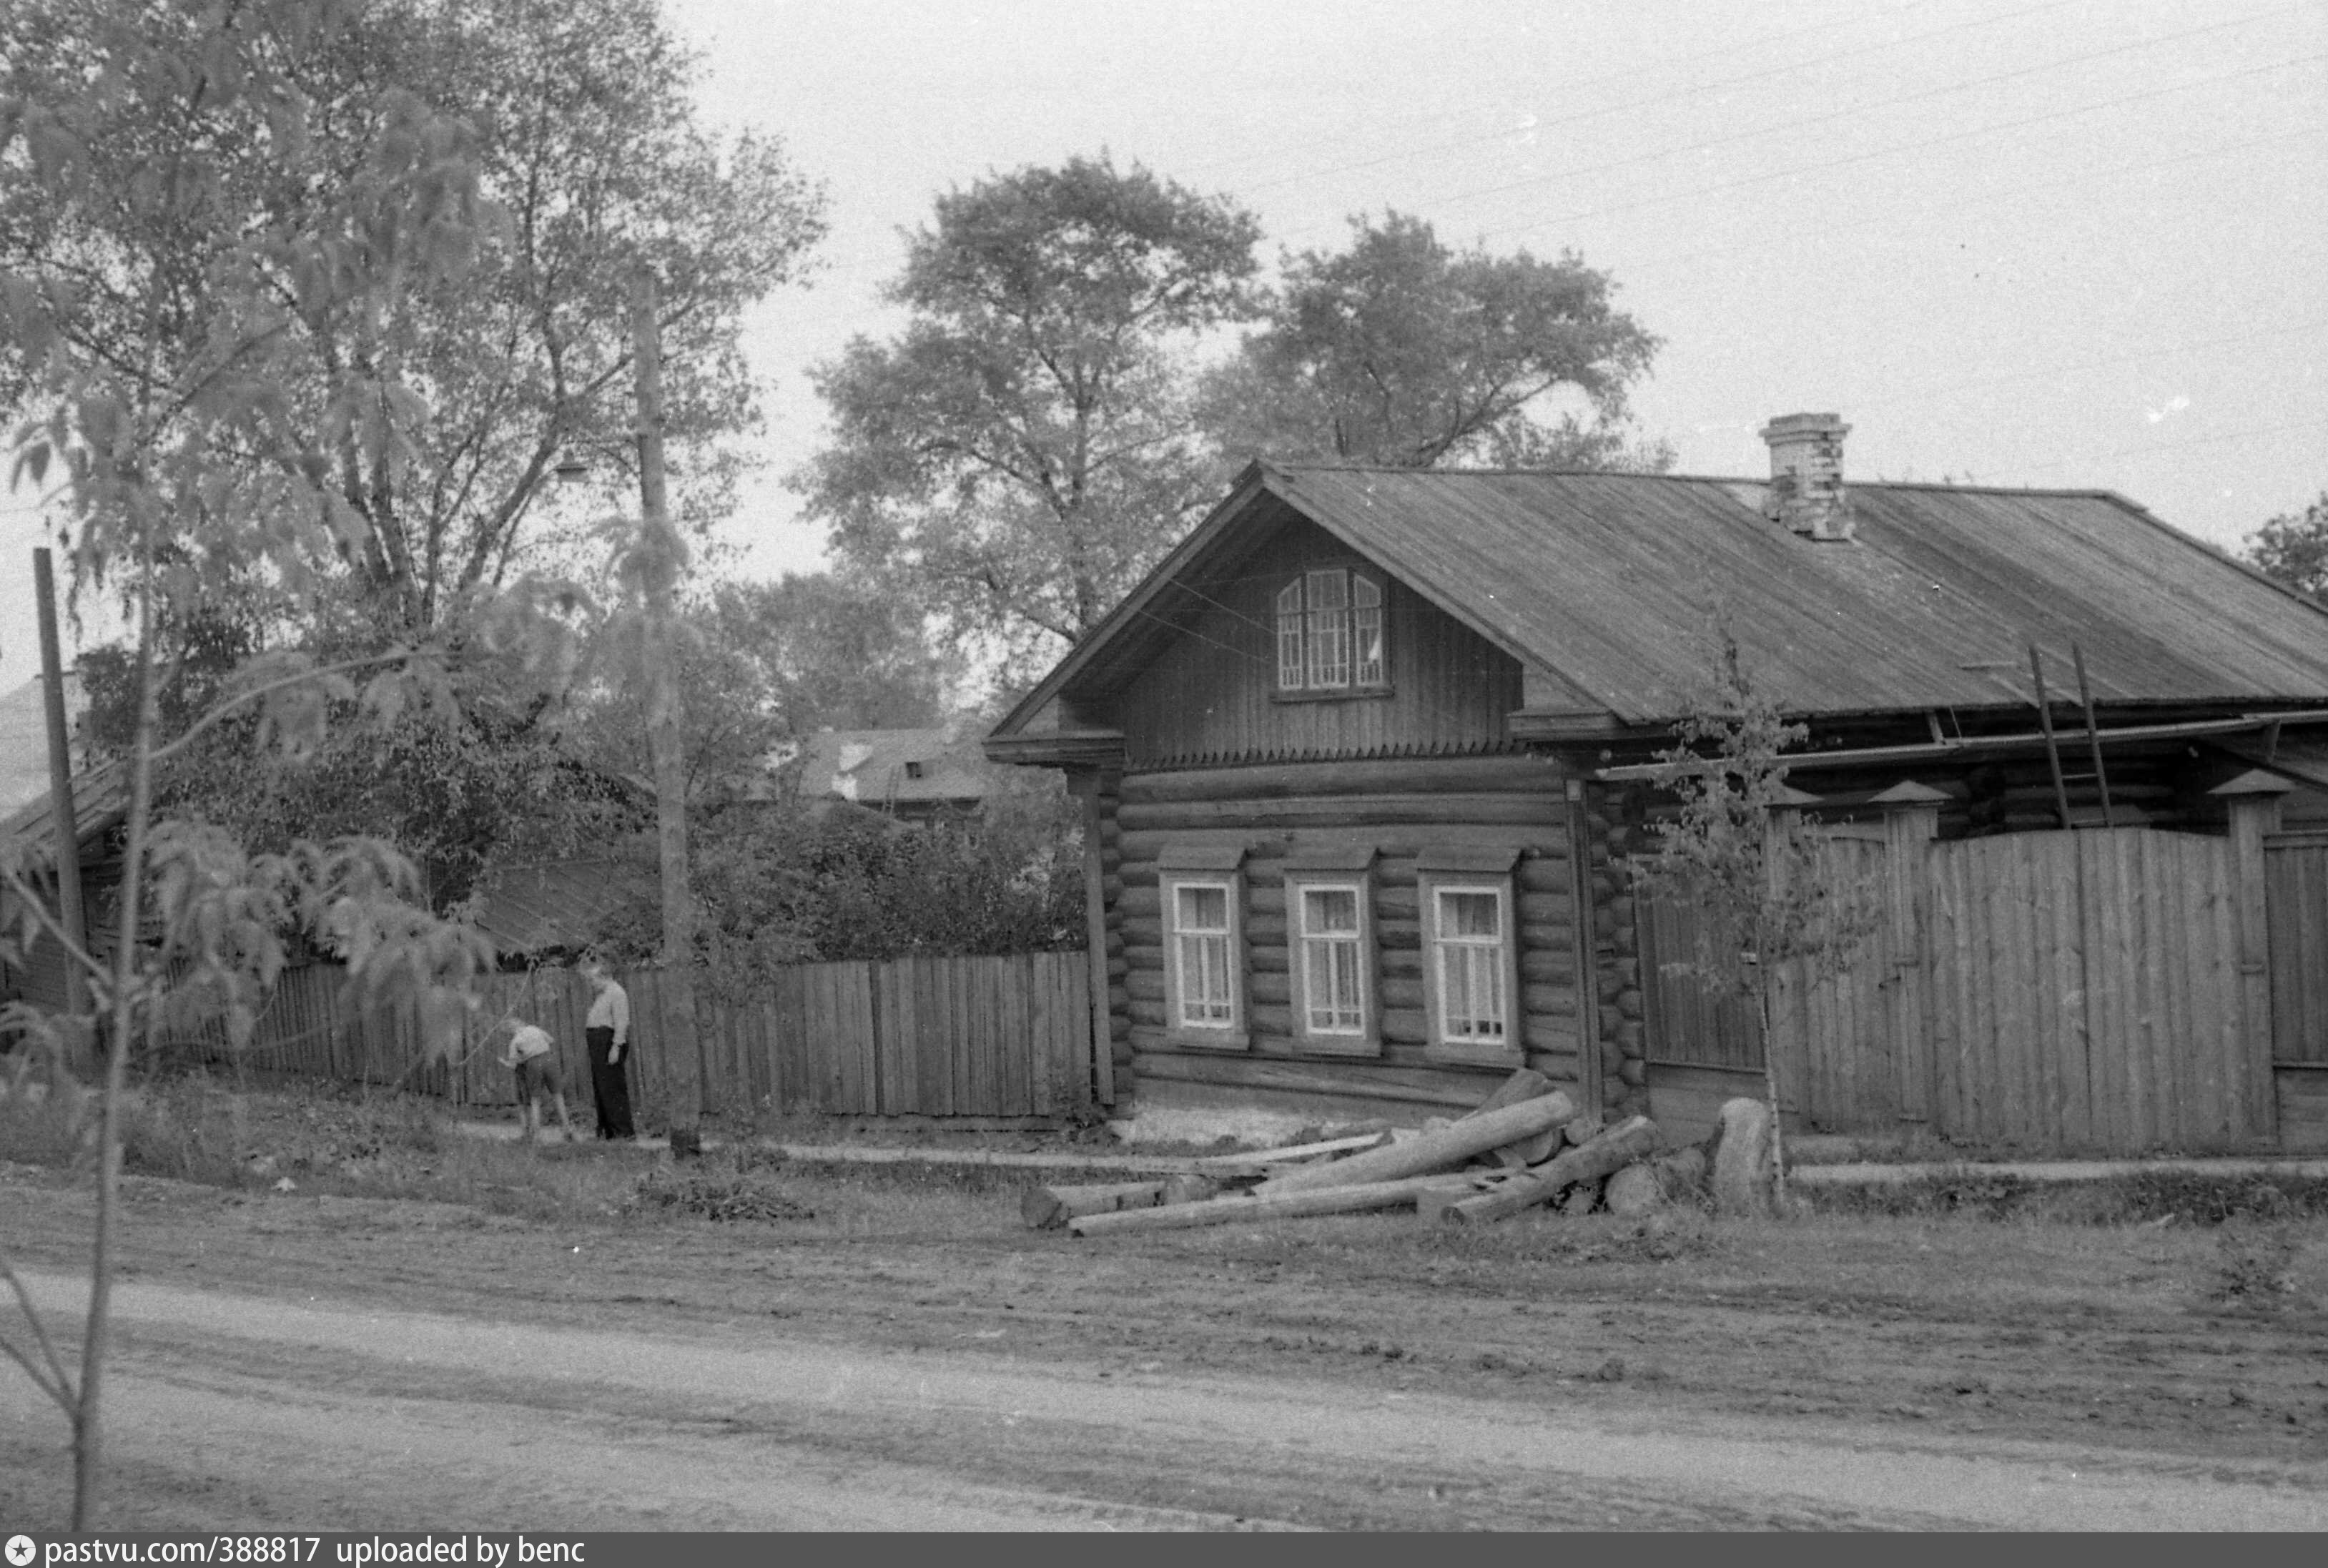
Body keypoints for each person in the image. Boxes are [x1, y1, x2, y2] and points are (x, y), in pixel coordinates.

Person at [580, 954, 636, 1141]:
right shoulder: (603, 994)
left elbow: (622, 1022)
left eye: (593, 980)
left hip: (609, 1042)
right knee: (601, 1087)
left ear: (605, 976)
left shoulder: (617, 993)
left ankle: (623, 1132)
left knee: (613, 1087)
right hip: (597, 1042)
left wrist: (616, 1047)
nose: (591, 984)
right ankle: (607, 1131)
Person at [498, 1020, 576, 1145]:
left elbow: (514, 1064)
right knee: (558, 1095)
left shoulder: (515, 1041)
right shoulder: (534, 1029)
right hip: (549, 1059)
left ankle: (537, 1135)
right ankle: (567, 1129)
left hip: (534, 1063)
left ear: (511, 1031)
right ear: (521, 1024)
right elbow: (551, 1040)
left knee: (535, 1099)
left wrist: (505, 1062)